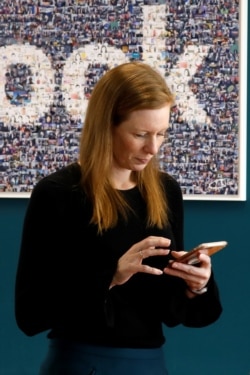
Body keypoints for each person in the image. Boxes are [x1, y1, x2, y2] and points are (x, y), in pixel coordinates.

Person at [15, 62, 222, 375]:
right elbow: (30, 314)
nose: (153, 148)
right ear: (106, 126)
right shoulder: (57, 193)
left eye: (161, 134)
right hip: (80, 364)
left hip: (150, 364)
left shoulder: (166, 191)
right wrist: (110, 276)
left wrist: (197, 286)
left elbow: (175, 313)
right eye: (140, 134)